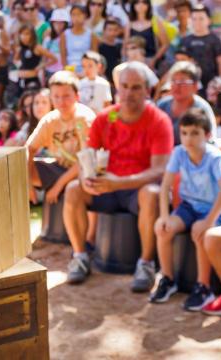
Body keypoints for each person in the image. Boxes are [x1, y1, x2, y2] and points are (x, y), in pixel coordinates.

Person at [64, 63, 174, 292]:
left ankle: (146, 263)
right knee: (74, 189)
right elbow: (88, 158)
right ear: (116, 88)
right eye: (124, 86)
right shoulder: (106, 118)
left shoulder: (159, 120)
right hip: (107, 187)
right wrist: (86, 179)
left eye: (136, 87)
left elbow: (160, 170)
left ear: (146, 90)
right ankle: (80, 256)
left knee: (152, 193)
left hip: (138, 190)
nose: (128, 93)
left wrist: (121, 182)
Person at [150, 108, 221, 310]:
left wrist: (208, 221)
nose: (189, 139)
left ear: (207, 135)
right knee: (162, 229)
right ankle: (168, 279)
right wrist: (163, 216)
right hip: (189, 206)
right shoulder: (179, 152)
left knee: (200, 232)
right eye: (184, 133)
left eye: (195, 133)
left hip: (214, 208)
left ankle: (203, 286)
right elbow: (165, 186)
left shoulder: (214, 157)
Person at [26, 71, 97, 205]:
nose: (61, 101)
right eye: (56, 96)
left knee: (86, 171)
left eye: (66, 96)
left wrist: (58, 185)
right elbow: (28, 149)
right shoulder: (50, 120)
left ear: (77, 96)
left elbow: (86, 159)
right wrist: (27, 183)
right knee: (19, 167)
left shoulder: (85, 118)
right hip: (59, 167)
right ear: (51, 98)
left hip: (84, 171)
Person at [156, 61, 217, 145]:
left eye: (182, 82)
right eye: (174, 81)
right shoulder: (162, 105)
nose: (177, 86)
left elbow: (211, 140)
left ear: (195, 86)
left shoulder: (202, 108)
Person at [180, 5, 221, 96]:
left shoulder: (214, 40)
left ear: (209, 21)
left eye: (201, 19)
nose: (197, 22)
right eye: (194, 19)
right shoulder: (186, 40)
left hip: (211, 84)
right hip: (191, 83)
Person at [123, 0, 169, 71]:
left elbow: (165, 44)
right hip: (133, 61)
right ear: (133, 5)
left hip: (151, 61)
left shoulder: (156, 21)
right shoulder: (129, 23)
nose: (141, 5)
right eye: (137, 2)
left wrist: (154, 60)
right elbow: (125, 45)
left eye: (144, 2)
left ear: (148, 5)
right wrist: (125, 60)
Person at [15, 24, 56, 95]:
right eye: (21, 34)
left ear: (32, 35)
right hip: (21, 80)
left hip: (32, 80)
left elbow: (54, 59)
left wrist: (41, 66)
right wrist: (19, 66)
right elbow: (15, 59)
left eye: (27, 34)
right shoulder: (20, 48)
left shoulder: (37, 47)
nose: (23, 36)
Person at [60, 5, 98, 76]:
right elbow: (63, 56)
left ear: (85, 16)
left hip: (86, 71)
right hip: (69, 70)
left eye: (79, 14)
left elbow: (94, 56)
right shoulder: (64, 35)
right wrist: (68, 71)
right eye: (73, 14)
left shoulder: (91, 35)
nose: (76, 17)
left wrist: (85, 72)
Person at [98, 17, 122, 85]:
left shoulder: (120, 46)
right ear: (104, 30)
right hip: (105, 80)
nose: (112, 33)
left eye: (115, 30)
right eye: (110, 30)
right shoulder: (100, 47)